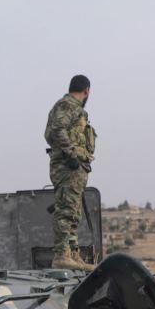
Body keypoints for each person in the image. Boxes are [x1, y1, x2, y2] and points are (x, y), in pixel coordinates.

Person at [45, 74, 96, 271]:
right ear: (86, 91)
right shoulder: (67, 105)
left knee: (73, 211)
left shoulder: (72, 108)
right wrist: (71, 154)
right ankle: (61, 255)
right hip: (68, 166)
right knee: (66, 210)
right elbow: (57, 129)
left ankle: (72, 254)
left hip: (76, 168)